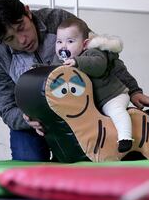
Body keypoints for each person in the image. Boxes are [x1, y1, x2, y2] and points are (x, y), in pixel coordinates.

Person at [0, 0, 149, 161]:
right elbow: (5, 107)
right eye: (10, 39)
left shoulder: (59, 20)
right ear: (0, 41)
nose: (22, 40)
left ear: (28, 12)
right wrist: (25, 119)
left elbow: (102, 54)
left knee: (110, 152)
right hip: (36, 125)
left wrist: (133, 90)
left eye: (21, 27)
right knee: (30, 164)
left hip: (84, 111)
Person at [55, 17, 135, 152]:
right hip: (96, 102)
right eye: (59, 41)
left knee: (116, 111)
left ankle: (125, 137)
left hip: (113, 96)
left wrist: (78, 62)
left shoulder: (93, 53)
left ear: (85, 44)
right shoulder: (67, 62)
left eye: (70, 41)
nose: (63, 46)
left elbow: (99, 66)